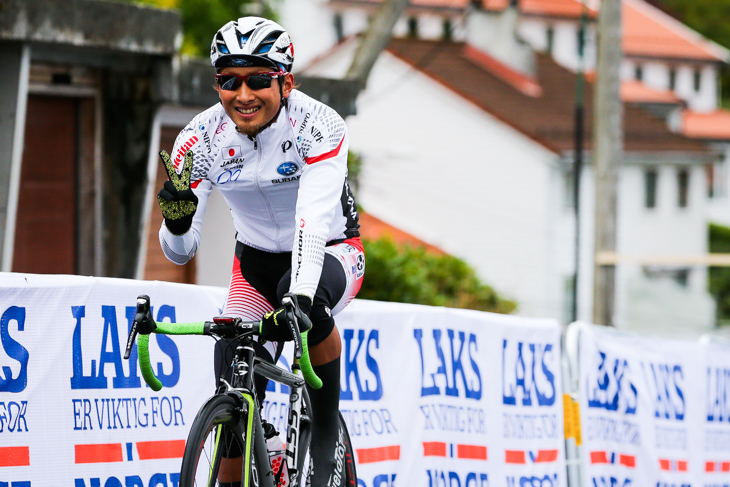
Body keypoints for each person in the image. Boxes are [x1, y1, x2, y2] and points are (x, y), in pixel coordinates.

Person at [156, 16, 364, 487]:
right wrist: (178, 219)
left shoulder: (319, 125)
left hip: (330, 251)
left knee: (304, 301)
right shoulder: (200, 138)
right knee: (232, 361)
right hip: (253, 263)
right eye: (229, 81)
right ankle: (233, 470)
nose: (243, 95)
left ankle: (327, 440)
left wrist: (302, 297)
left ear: (285, 82)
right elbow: (179, 253)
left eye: (258, 80)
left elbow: (311, 219)